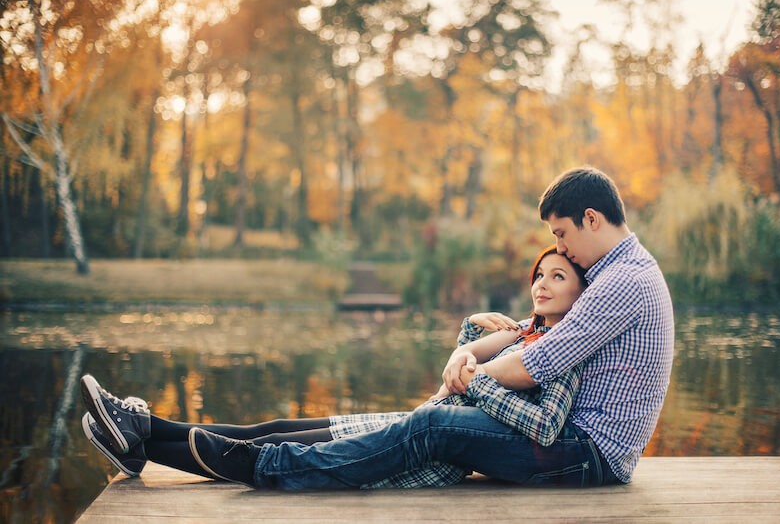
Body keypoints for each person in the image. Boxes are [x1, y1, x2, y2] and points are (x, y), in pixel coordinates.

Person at [86, 166, 674, 490]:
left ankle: (264, 467)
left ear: (591, 218)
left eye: (562, 235)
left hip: (584, 454)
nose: (558, 248)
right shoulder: (609, 276)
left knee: (434, 423)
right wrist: (473, 348)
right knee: (333, 422)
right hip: (561, 440)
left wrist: (466, 372)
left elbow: (533, 364)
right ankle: (145, 431)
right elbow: (531, 333)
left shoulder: (623, 281)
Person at [81, 246, 590, 488]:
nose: (541, 284)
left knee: (271, 447)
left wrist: (479, 381)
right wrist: (470, 335)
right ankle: (142, 433)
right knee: (278, 427)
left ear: (581, 292)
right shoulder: (525, 331)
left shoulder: (566, 348)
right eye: (538, 274)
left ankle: (142, 438)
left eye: (558, 276)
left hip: (429, 455)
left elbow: (544, 425)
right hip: (412, 422)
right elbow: (453, 381)